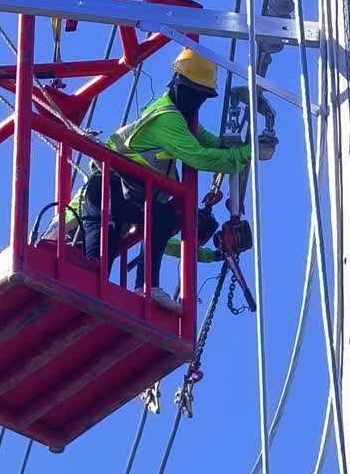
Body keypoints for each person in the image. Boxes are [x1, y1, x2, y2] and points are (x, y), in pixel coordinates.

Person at [78, 48, 251, 312]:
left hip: (118, 195)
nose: (198, 103)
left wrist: (212, 255)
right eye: (196, 95)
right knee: (98, 264)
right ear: (181, 87)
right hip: (105, 191)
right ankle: (144, 287)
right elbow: (199, 157)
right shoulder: (168, 119)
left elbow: (211, 145)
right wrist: (246, 154)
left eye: (203, 97)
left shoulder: (181, 118)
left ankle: (137, 289)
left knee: (159, 222)